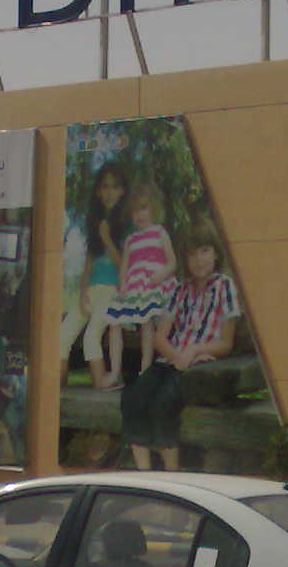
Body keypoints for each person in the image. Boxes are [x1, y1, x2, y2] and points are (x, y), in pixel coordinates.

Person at [119, 230, 241, 470]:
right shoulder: (179, 290)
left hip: (198, 368)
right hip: (170, 360)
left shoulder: (224, 286)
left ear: (216, 253)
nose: (199, 259)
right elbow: (160, 336)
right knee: (132, 398)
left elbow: (226, 342)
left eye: (205, 251)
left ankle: (170, 474)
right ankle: (145, 474)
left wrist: (194, 350)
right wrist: (176, 357)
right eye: (192, 254)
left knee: (163, 403)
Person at [102, 180, 176, 380]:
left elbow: (172, 262)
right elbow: (125, 268)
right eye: (135, 211)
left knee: (146, 320)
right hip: (134, 288)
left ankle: (145, 367)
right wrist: (123, 284)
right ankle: (115, 370)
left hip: (154, 285)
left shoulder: (160, 233)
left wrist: (162, 274)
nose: (139, 215)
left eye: (144, 208)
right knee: (114, 322)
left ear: (154, 208)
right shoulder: (131, 240)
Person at [68, 163, 130, 387]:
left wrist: (107, 238)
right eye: (104, 187)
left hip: (113, 290)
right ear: (97, 191)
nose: (109, 192)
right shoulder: (95, 222)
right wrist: (83, 292)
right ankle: (56, 395)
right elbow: (89, 261)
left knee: (91, 336)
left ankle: (103, 385)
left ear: (122, 190)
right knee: (62, 337)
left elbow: (125, 265)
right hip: (92, 289)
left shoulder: (127, 223)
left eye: (114, 187)